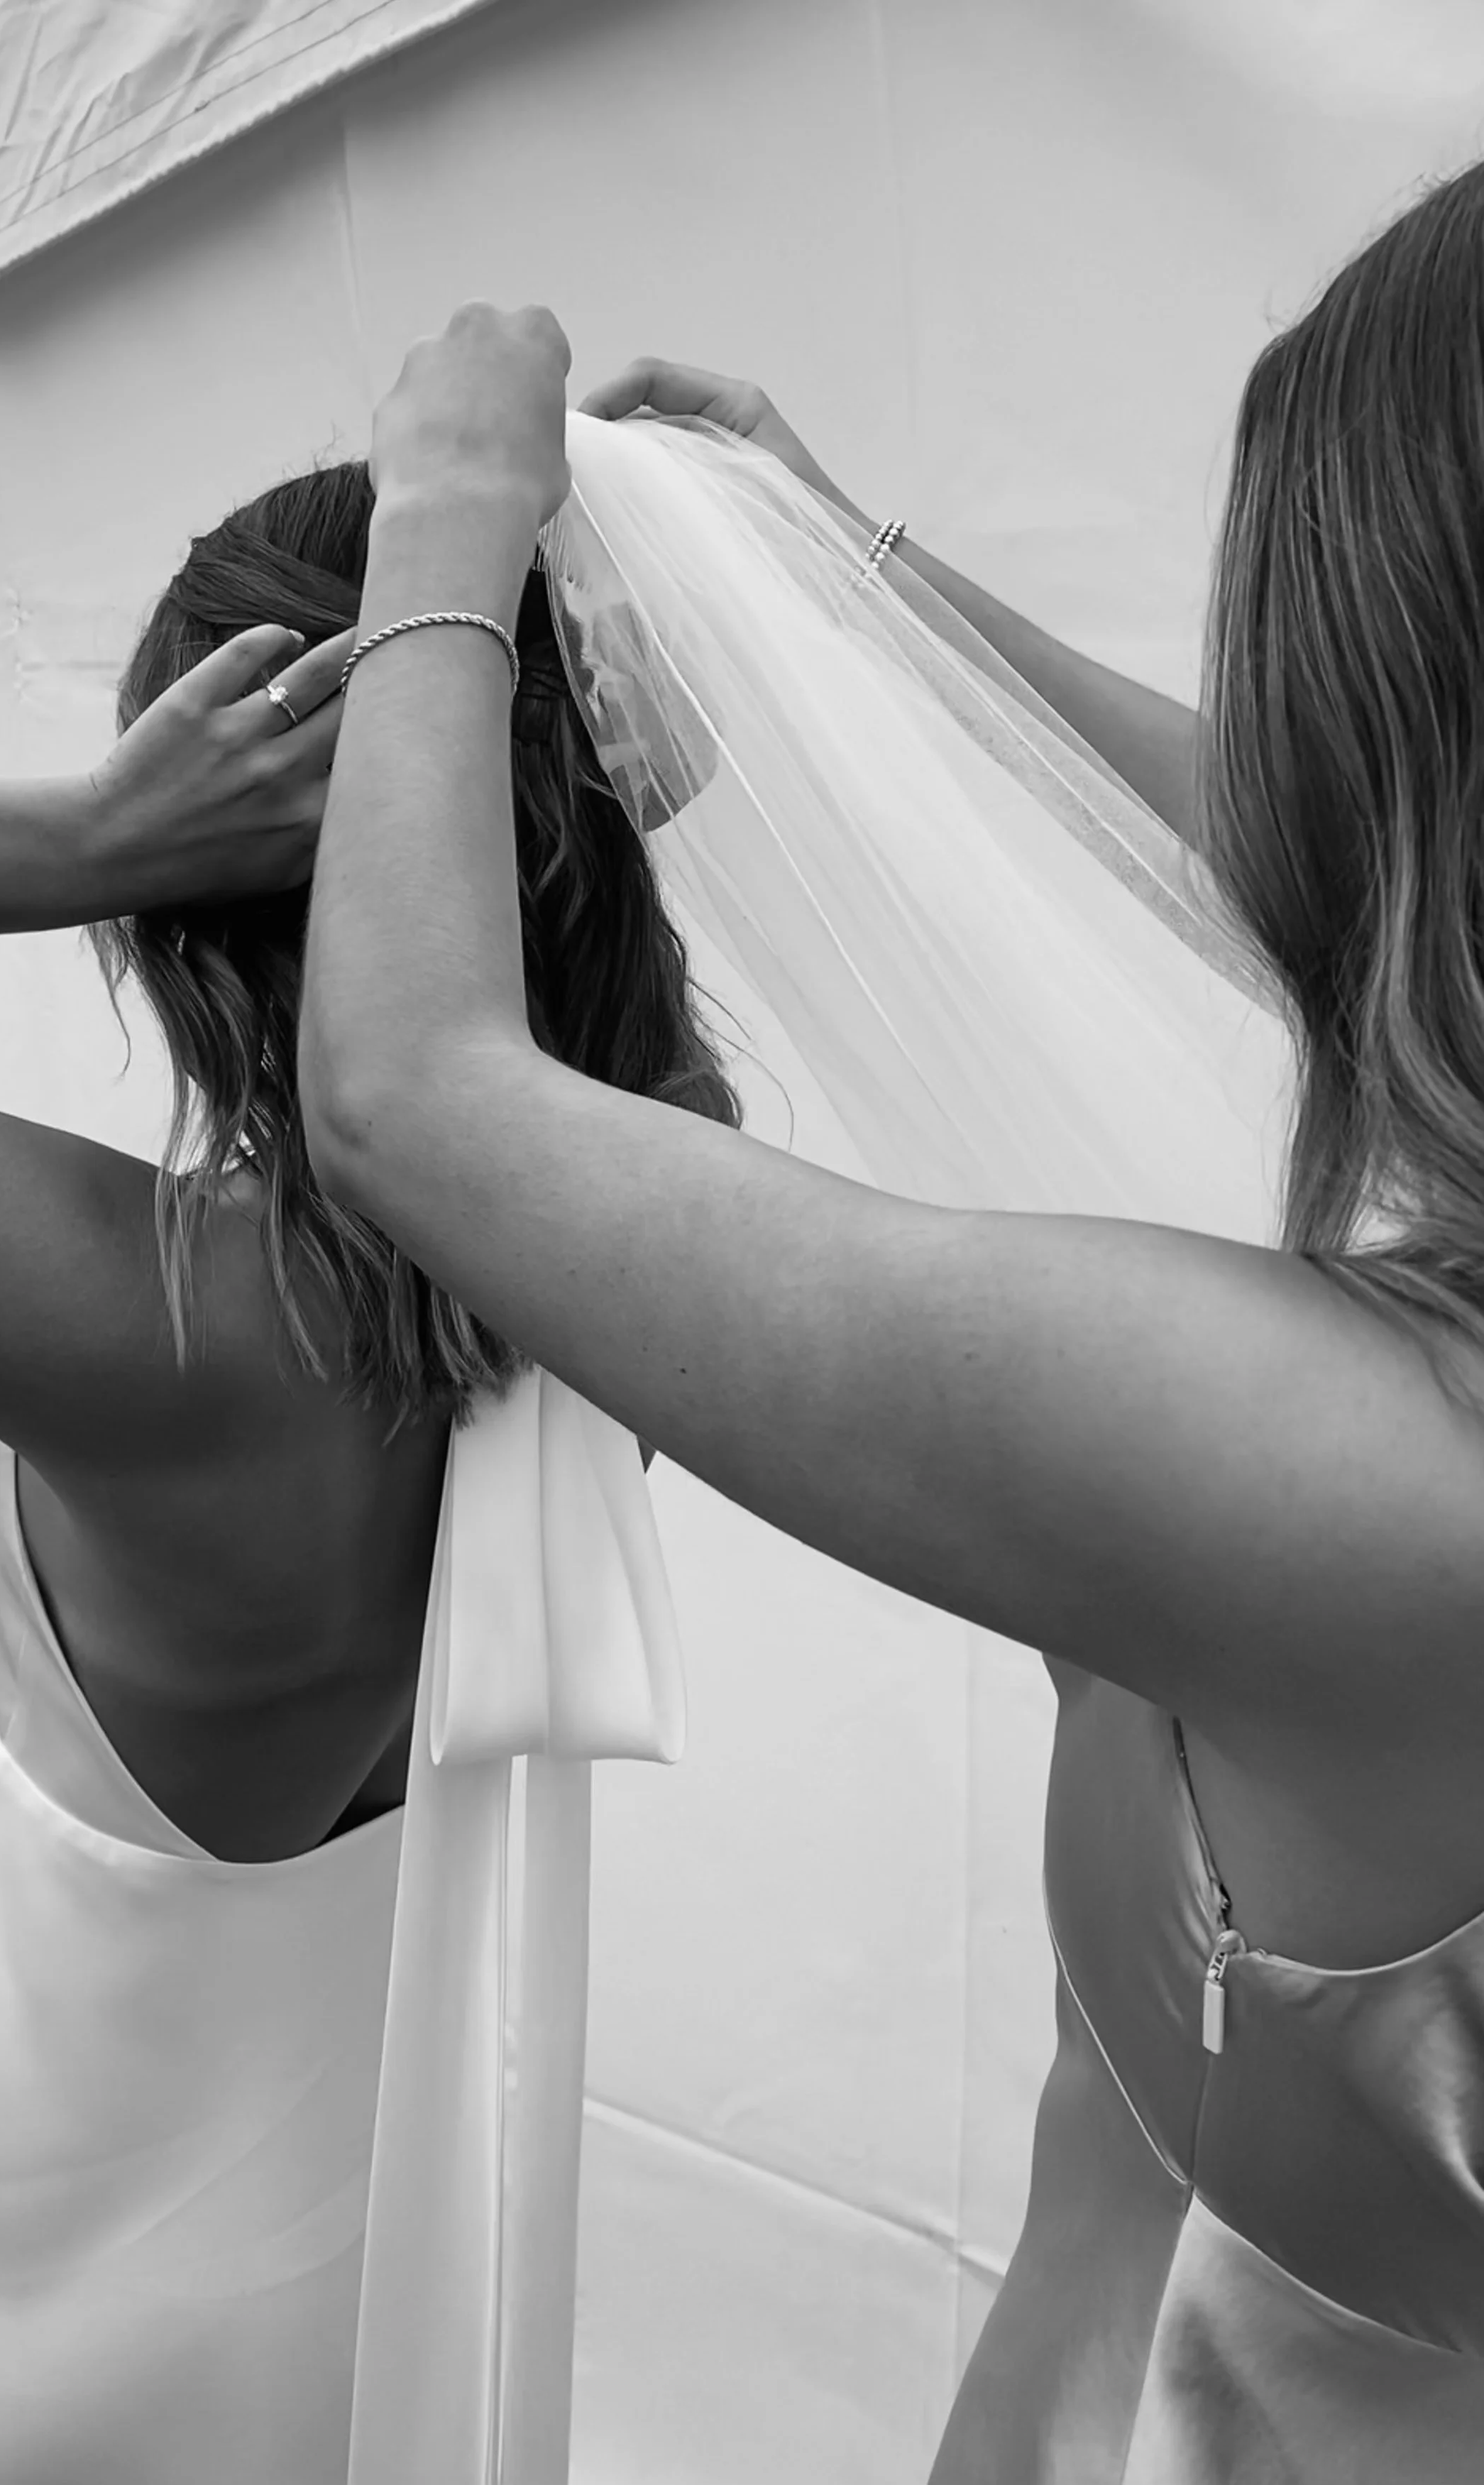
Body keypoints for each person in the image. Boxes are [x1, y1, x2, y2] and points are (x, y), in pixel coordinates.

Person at [294, 171, 1484, 2484]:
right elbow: (1306, 871)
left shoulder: (1332, 1462)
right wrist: (860, 582)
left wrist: (436, 536)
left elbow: (417, 1100)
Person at [0, 463, 733, 2483]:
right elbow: (591, 951)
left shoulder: (166, 1329)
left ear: (190, 927)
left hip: (29, 2222)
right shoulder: (649, 1227)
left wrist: (82, 834)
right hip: (320, 2226)